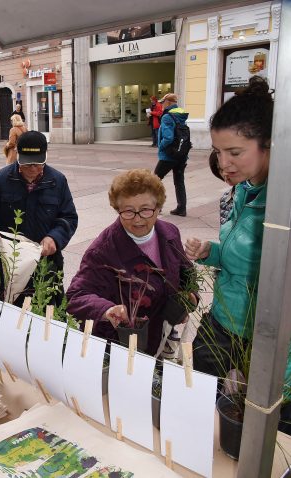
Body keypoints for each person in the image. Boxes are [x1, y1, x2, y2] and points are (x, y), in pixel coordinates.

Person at [184, 77, 276, 386]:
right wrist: (212, 251)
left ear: (269, 143)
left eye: (235, 152)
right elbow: (244, 256)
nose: (224, 164)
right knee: (193, 392)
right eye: (217, 152)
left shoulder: (282, 204)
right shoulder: (243, 190)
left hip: (265, 337)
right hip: (223, 320)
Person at [66, 169, 197, 355]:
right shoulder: (104, 249)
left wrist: (190, 298)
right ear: (117, 209)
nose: (137, 219)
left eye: (145, 210)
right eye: (128, 211)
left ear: (158, 207)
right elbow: (76, 296)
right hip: (120, 345)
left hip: (161, 337)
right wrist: (108, 309)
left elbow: (186, 273)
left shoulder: (169, 233)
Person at [0, 131, 78, 306]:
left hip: (46, 263)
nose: (32, 168)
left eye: (38, 163)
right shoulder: (1, 178)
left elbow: (69, 217)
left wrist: (54, 237)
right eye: (27, 163)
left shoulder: (57, 180)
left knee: (48, 316)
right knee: (12, 315)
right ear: (17, 156)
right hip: (11, 264)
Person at [154, 93, 189, 217]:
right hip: (181, 154)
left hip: (168, 156)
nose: (161, 104)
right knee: (179, 181)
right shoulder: (181, 115)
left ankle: (157, 206)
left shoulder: (167, 117)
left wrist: (161, 146)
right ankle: (181, 208)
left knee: (154, 180)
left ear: (168, 102)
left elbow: (168, 137)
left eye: (163, 102)